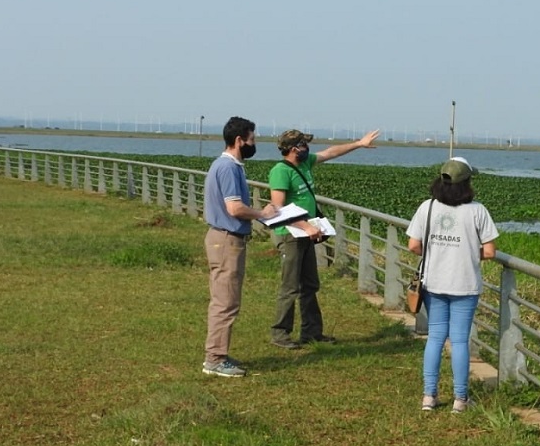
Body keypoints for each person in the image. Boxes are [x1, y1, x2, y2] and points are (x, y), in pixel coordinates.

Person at [268, 127, 381, 348]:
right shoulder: (281, 171)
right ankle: (280, 334)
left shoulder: (306, 162)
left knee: (310, 284)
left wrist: (358, 143)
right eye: (303, 145)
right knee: (290, 286)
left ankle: (311, 332)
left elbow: (330, 152)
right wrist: (305, 226)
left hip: (307, 233)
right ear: (293, 149)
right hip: (291, 235)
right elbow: (277, 208)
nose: (307, 149)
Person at [406, 156, 499, 412]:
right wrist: (468, 251)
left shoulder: (428, 207)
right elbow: (490, 252)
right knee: (459, 341)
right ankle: (460, 399)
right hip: (465, 284)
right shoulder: (478, 210)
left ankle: (429, 396)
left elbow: (414, 245)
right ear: (467, 183)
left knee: (435, 338)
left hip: (434, 282)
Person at [202, 116, 278, 377]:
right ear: (239, 140)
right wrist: (262, 213)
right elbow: (234, 208)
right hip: (227, 240)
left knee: (222, 299)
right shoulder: (229, 168)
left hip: (219, 238)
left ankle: (217, 353)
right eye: (252, 139)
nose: (253, 144)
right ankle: (215, 359)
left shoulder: (222, 166)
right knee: (226, 302)